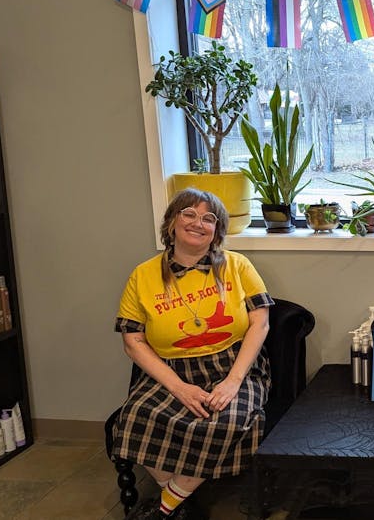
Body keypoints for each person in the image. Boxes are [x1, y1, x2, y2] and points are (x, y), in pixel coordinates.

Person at [111, 188, 274, 519]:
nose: (198, 223)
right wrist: (178, 387)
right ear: (172, 222)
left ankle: (165, 507)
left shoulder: (237, 265)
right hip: (169, 370)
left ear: (217, 231)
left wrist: (232, 381)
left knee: (228, 423)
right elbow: (133, 341)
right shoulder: (142, 275)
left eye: (209, 218)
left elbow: (260, 323)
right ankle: (181, 502)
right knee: (131, 420)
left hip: (233, 364)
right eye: (189, 214)